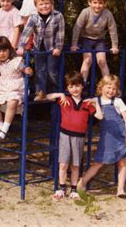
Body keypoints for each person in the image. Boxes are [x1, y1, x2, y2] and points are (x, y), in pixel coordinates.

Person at [77, 75, 126, 198]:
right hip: (107, 137)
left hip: (121, 135)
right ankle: (82, 183)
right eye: (108, 87)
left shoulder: (117, 101)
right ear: (101, 87)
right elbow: (86, 105)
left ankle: (120, 189)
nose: (111, 91)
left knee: (122, 162)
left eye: (114, 89)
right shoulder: (96, 100)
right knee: (99, 162)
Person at [46, 71, 103, 200]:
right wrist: (59, 94)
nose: (75, 89)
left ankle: (73, 189)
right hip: (65, 135)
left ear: (82, 86)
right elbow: (46, 96)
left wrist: (96, 103)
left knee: (76, 165)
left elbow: (99, 116)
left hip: (79, 137)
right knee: (63, 164)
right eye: (71, 86)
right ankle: (61, 188)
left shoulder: (87, 103)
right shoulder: (65, 99)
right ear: (67, 88)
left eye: (77, 86)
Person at [17, 0, 65, 101]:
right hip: (39, 48)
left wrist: (58, 47)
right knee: (40, 70)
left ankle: (55, 90)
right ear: (36, 6)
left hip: (52, 48)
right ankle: (40, 92)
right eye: (41, 4)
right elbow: (26, 32)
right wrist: (21, 46)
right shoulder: (33, 17)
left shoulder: (58, 16)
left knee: (52, 71)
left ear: (51, 3)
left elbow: (60, 33)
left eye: (47, 3)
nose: (44, 6)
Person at [0, 36, 32, 143]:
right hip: (2, 87)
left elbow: (25, 70)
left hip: (15, 87)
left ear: (9, 50)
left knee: (12, 102)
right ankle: (2, 128)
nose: (2, 53)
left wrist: (28, 71)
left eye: (4, 50)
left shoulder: (16, 61)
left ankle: (4, 130)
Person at [70, 0, 119, 86]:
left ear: (105, 4)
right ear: (90, 2)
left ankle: (108, 85)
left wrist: (115, 46)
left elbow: (112, 29)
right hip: (86, 39)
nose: (97, 5)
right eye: (95, 2)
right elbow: (77, 27)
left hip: (99, 40)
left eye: (100, 3)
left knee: (102, 62)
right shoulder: (85, 12)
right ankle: (82, 84)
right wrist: (74, 44)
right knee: (87, 61)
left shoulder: (107, 14)